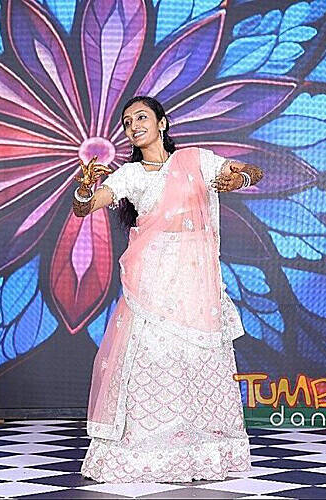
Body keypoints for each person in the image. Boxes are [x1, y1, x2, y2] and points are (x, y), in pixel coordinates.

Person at [73, 96, 263, 483]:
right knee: (154, 359)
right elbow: (85, 208)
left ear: (162, 123)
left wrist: (240, 178)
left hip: (196, 282)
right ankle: (147, 453)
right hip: (152, 282)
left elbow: (250, 171)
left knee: (198, 359)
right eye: (127, 122)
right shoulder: (130, 175)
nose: (134, 126)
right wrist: (84, 188)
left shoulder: (195, 160)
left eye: (141, 117)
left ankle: (201, 451)